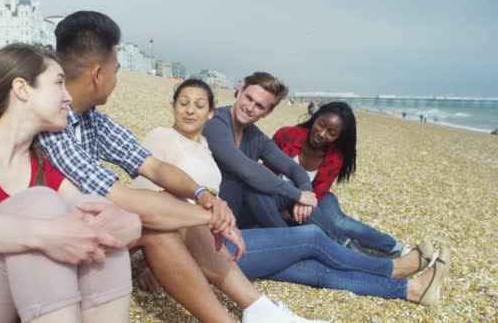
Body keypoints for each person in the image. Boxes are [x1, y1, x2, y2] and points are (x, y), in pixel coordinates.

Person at [36, 11, 308, 322]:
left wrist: (204, 195)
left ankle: (254, 312)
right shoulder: (53, 123)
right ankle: (252, 313)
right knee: (165, 220)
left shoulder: (89, 118)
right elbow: (121, 198)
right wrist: (210, 216)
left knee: (170, 217)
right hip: (55, 244)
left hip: (94, 226)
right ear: (98, 73)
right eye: (117, 69)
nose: (117, 78)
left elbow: (151, 165)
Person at [133, 78, 451, 305]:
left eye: (200, 105)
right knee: (311, 239)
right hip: (192, 251)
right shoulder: (163, 136)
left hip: (220, 240)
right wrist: (146, 259)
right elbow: (145, 202)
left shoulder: (203, 144)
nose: (191, 111)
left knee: (313, 271)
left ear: (210, 109)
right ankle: (394, 267)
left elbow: (289, 167)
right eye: (184, 103)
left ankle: (411, 290)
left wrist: (302, 187)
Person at [0, 44, 142, 323]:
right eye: (58, 83)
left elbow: (93, 215)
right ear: (22, 89)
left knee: (93, 210)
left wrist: (129, 223)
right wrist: (44, 234)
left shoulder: (46, 169)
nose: (69, 97)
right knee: (39, 203)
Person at [271, 102, 407, 257]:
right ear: (315, 118)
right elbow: (265, 172)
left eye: (331, 133)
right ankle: (356, 252)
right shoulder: (286, 135)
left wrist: (299, 205)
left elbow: (319, 192)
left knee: (338, 221)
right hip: (279, 194)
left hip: (315, 196)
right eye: (321, 124)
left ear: (338, 137)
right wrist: (282, 207)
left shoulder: (335, 157)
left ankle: (395, 247)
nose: (322, 134)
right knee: (323, 225)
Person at [203, 71, 318, 230]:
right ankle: (292, 239)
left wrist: (305, 192)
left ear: (267, 112)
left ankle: (338, 239)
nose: (250, 108)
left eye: (259, 106)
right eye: (249, 98)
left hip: (244, 212)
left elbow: (293, 168)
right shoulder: (215, 121)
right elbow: (245, 169)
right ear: (240, 92)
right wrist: (298, 195)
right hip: (216, 216)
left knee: (304, 202)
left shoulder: (255, 135)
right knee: (252, 184)